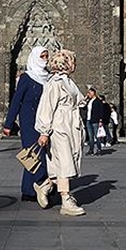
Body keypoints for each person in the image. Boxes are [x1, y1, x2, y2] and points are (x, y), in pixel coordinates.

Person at [36, 49, 86, 216]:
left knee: (69, 159)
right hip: (60, 126)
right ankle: (66, 200)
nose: (75, 65)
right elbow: (46, 107)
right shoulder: (54, 83)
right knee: (65, 162)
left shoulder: (68, 82)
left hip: (71, 125)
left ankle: (45, 186)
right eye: (72, 61)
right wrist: (44, 132)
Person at [2, 47, 53, 206]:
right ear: (35, 58)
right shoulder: (27, 78)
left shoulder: (49, 78)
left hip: (44, 120)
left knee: (35, 154)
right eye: (42, 56)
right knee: (35, 152)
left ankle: (28, 190)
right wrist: (9, 123)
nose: (45, 59)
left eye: (47, 56)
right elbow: (17, 100)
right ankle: (43, 182)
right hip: (29, 121)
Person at [81, 87, 107, 155]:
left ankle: (99, 149)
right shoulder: (89, 101)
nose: (88, 94)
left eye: (89, 93)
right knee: (90, 136)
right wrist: (85, 99)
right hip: (88, 120)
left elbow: (101, 111)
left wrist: (100, 120)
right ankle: (91, 150)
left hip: (95, 120)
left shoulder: (98, 101)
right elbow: (82, 107)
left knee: (97, 135)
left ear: (93, 93)